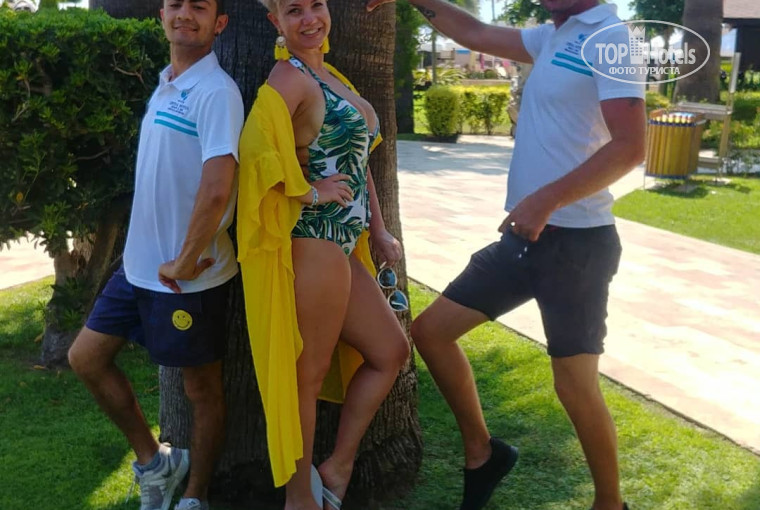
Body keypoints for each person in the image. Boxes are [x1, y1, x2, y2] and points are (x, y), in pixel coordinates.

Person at [367, 1, 646, 510]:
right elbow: (473, 31)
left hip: (578, 246)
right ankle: (483, 452)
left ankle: (610, 504)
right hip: (523, 239)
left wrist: (545, 200)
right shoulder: (552, 35)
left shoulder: (611, 38)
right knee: (431, 332)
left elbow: (630, 147)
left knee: (574, 385)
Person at [67, 1, 244, 509]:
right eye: (175, 4)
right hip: (138, 269)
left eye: (199, 6)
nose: (185, 13)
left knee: (201, 390)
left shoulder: (216, 92)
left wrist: (186, 258)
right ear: (161, 16)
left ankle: (195, 496)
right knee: (85, 359)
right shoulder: (167, 82)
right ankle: (155, 463)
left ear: (219, 23)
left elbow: (218, 186)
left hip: (188, 277)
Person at [236, 1, 410, 509]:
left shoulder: (330, 76)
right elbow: (255, 155)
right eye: (294, 10)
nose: (310, 17)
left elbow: (357, 159)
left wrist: (379, 228)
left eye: (316, 4)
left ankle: (337, 466)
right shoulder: (288, 79)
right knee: (305, 376)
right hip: (313, 239)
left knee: (390, 352)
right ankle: (299, 499)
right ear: (276, 22)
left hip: (342, 242)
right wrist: (309, 192)